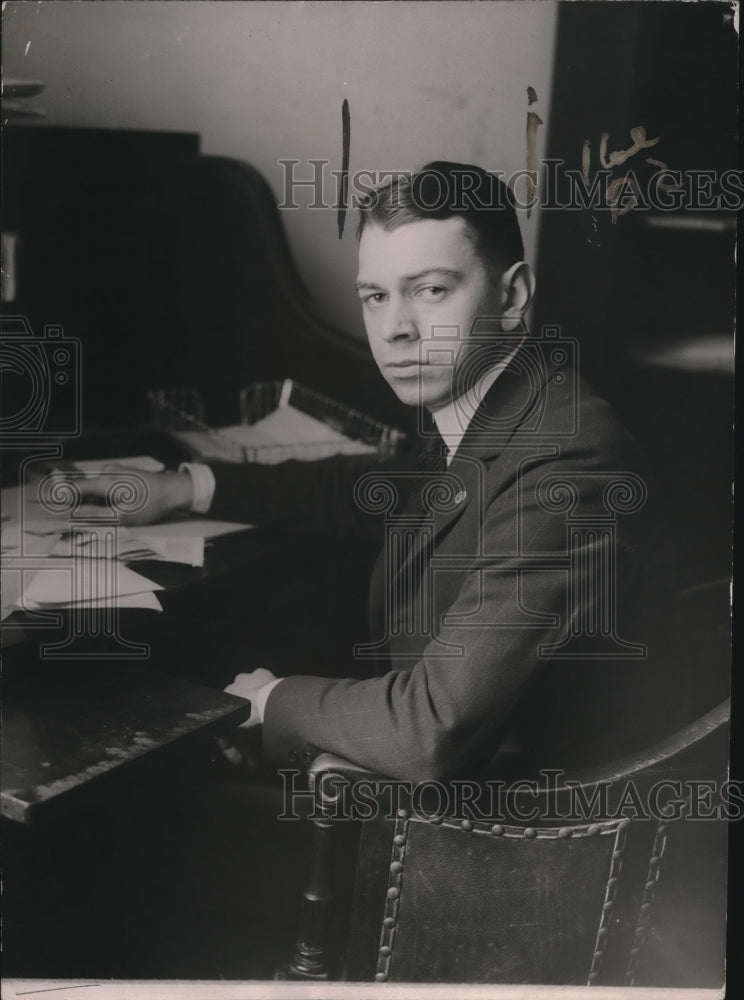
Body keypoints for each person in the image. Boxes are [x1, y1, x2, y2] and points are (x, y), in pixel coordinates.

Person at [78, 162, 688, 783]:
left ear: (513, 297)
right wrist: (191, 485)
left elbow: (430, 729)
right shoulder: (499, 407)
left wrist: (273, 702)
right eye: (376, 296)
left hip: (521, 835)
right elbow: (366, 489)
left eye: (430, 290)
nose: (396, 329)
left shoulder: (566, 459)